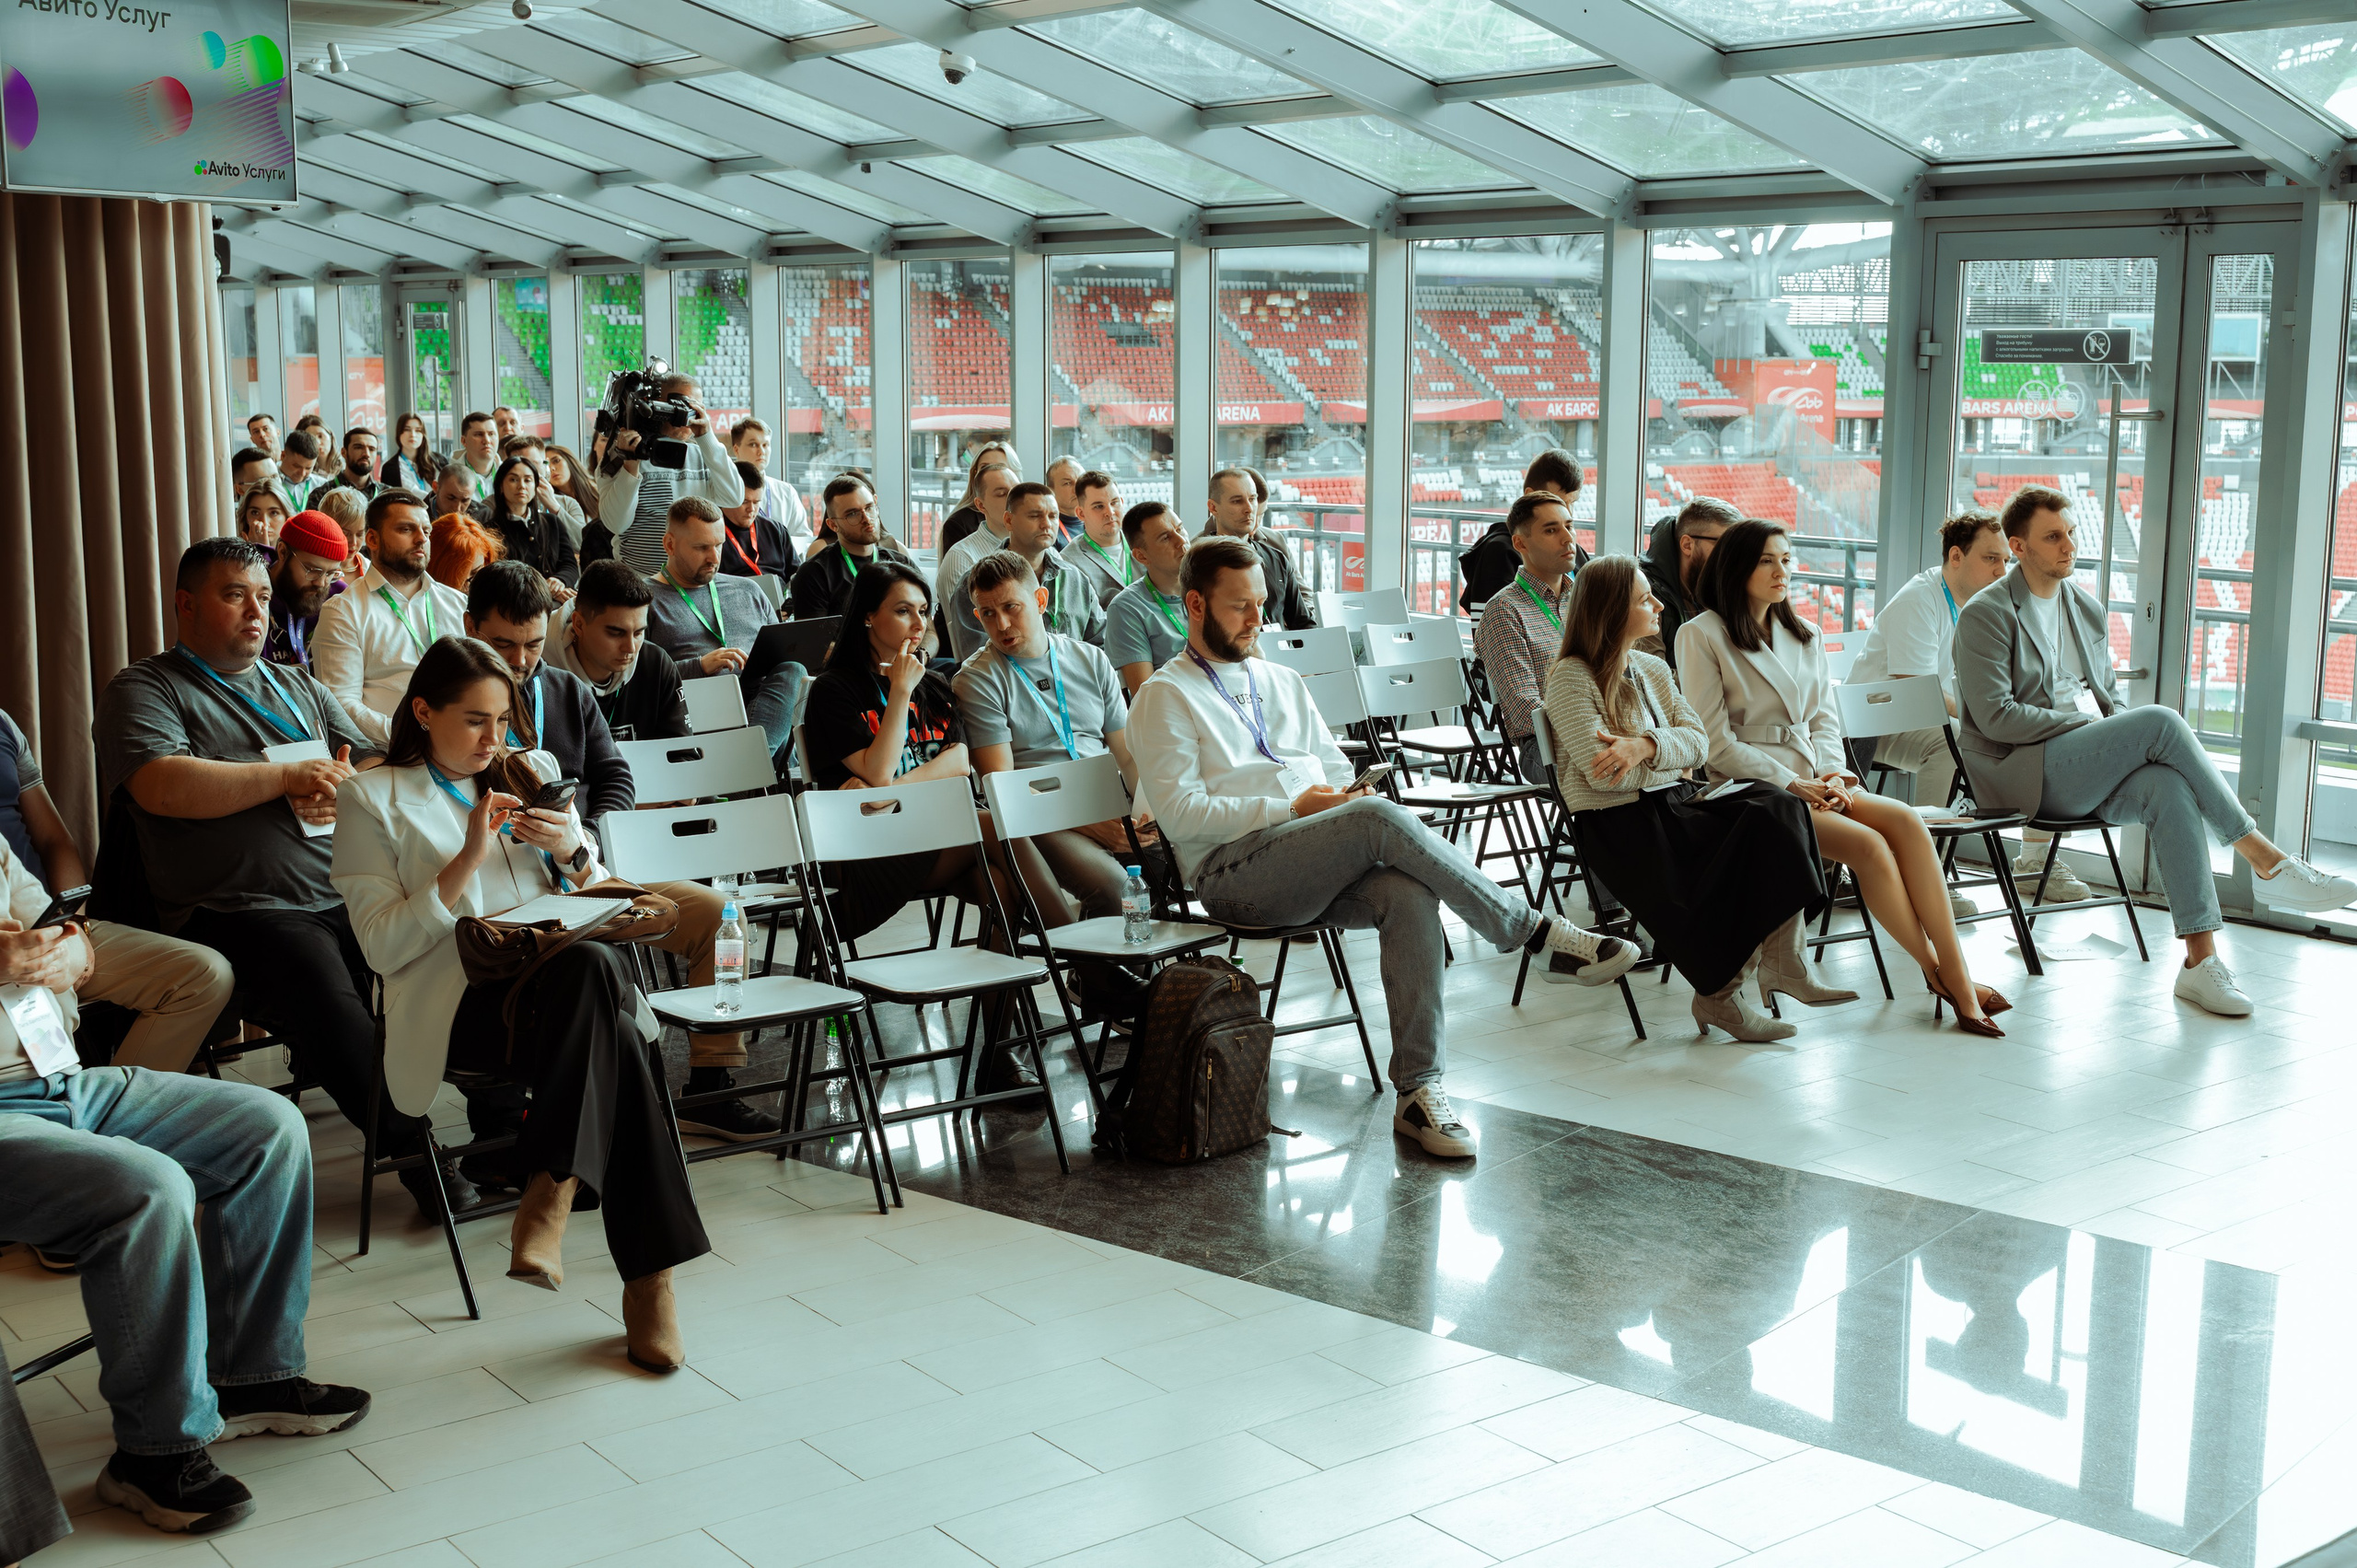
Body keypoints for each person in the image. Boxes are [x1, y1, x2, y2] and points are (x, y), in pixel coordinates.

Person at [1129, 537, 1636, 1160]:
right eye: (1241, 607)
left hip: (1308, 850)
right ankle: (1529, 930)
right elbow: (1180, 817)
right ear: (1196, 606)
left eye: (1262, 603)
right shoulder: (1164, 694)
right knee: (1373, 817)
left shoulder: (1280, 679)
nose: (1258, 618)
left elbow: (1333, 763)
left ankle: (1419, 1092)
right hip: (1230, 871)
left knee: (1408, 891)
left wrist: (1336, 795)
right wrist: (1296, 806)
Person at [333, 638, 710, 1374]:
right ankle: (643, 1276)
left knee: (595, 975)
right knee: (614, 1022)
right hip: (460, 1009)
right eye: (475, 720)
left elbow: (594, 886)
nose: (494, 739)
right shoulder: (370, 797)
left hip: (562, 996)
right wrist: (468, 856)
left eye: (503, 720)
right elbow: (380, 948)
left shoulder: (528, 771)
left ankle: (555, 1193)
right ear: (422, 711)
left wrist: (574, 851)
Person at [0, 826, 371, 1535]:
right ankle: (153, 1452)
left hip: (61, 1080)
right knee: (149, 1186)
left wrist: (73, 947)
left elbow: (67, 932)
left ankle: (252, 1374)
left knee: (266, 1127)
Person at [95, 539, 466, 1216]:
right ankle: (418, 1155)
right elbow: (161, 785)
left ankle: (512, 1128)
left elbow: (381, 755)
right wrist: (289, 776)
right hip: (240, 910)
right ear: (186, 603)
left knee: (455, 948)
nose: (256, 610)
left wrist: (352, 782)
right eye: (234, 594)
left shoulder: (295, 682)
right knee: (314, 975)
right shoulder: (145, 687)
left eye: (263, 595)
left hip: (347, 888)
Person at [1955, 486, 2354, 1017]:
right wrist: (2092, 726)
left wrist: (2112, 732)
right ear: (2019, 547)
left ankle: (2199, 963)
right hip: (2018, 774)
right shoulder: (1987, 614)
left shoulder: (2084, 608)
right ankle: (2267, 860)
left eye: (2070, 533)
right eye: (2052, 537)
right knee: (2161, 721)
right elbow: (1996, 717)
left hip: (2076, 767)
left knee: (2166, 785)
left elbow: (2110, 699)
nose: (2068, 545)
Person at [465, 563, 774, 1139]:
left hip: (587, 873)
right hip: (501, 893)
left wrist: (586, 839)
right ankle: (501, 1118)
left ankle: (710, 1085)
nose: (521, 659)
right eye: (503, 644)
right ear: (470, 631)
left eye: (533, 644)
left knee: (717, 916)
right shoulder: (453, 706)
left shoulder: (563, 690)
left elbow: (615, 774)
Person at [1678, 519, 2003, 1036]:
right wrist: (1791, 782)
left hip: (1814, 780)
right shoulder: (1700, 635)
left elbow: (1825, 719)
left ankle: (1951, 970)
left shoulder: (1803, 633)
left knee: (1905, 822)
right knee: (1870, 846)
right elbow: (1716, 744)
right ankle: (1947, 977)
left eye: (1786, 559)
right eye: (1767, 560)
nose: (1781, 570)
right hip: (1752, 793)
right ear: (1736, 566)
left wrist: (1832, 772)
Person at [1541, 557, 1829, 1041]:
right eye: (1642, 599)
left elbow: (1700, 743)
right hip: (1619, 821)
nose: (1658, 604)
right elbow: (1605, 779)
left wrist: (1645, 746)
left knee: (1780, 805)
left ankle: (1784, 961)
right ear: (1611, 611)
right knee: (1750, 844)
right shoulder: (1571, 677)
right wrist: (1666, 756)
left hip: (1672, 799)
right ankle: (1722, 997)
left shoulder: (1651, 666)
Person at [802, 562, 1050, 1092]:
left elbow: (960, 761)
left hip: (935, 842)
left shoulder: (937, 685)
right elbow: (879, 770)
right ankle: (1071, 943)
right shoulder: (835, 690)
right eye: (901, 610)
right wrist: (897, 694)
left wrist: (887, 792)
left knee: (1002, 890)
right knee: (990, 823)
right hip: (868, 852)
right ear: (868, 618)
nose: (917, 623)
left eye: (922, 611)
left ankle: (998, 1053)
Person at [957, 550, 1154, 1015]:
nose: (1002, 624)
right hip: (1035, 815)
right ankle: (1111, 988)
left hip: (1105, 802)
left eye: (1012, 607)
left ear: (1040, 599)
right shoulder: (979, 679)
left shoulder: (1090, 660)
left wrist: (1145, 810)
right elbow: (1001, 786)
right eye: (987, 613)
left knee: (1169, 862)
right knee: (1112, 886)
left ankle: (1111, 984)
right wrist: (1094, 825)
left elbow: (1126, 754)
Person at [0, 708, 235, 1074]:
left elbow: (53, 840)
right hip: (11, 940)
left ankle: (117, 1104)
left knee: (205, 975)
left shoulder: (4, 726)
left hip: (47, 918)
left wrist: (74, 926)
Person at [647, 497, 801, 766]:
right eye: (701, 547)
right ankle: (750, 766)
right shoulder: (646, 600)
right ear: (669, 544)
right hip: (698, 712)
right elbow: (636, 681)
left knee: (793, 667)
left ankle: (744, 765)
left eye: (719, 545)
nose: (714, 558)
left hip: (761, 699)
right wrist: (699, 667)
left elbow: (781, 651)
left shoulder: (748, 589)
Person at [313, 490, 473, 745]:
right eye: (406, 529)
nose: (421, 539)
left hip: (466, 744)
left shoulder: (457, 604)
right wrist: (410, 736)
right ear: (373, 540)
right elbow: (340, 705)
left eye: (426, 531)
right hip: (392, 752)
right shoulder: (343, 611)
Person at [1471, 491, 1580, 784]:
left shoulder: (1585, 599)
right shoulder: (1504, 610)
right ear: (1520, 543)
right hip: (1544, 745)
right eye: (1551, 530)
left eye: (1569, 526)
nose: (1568, 538)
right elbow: (1524, 708)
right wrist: (1587, 725)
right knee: (1616, 767)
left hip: (1596, 728)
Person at [605, 374, 746, 575]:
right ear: (653, 404)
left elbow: (733, 498)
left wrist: (706, 436)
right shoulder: (623, 454)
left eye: (694, 407)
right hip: (640, 583)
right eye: (678, 405)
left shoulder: (704, 454)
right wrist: (630, 466)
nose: (685, 414)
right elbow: (616, 523)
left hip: (692, 582)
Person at [945, 482, 1104, 660]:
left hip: (1076, 681)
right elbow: (977, 661)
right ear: (1008, 521)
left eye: (1053, 516)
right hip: (1008, 685)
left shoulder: (1075, 578)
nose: (1046, 525)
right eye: (1035, 516)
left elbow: (1100, 644)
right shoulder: (976, 584)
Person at [548, 560, 691, 740]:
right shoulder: (540, 670)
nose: (631, 648)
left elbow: (684, 754)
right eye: (616, 633)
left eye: (639, 633)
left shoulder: (657, 664)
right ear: (579, 625)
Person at [1459, 449, 1590, 610]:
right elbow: (1491, 624)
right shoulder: (1499, 553)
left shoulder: (1573, 549)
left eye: (1573, 502)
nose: (1568, 511)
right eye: (1559, 502)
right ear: (1530, 495)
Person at [790, 476, 913, 621]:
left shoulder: (900, 563)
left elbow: (929, 629)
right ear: (833, 525)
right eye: (852, 514)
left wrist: (919, 645)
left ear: (875, 501)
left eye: (869, 508)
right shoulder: (815, 573)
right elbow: (815, 642)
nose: (867, 519)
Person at [1204, 468, 1315, 630]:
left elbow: (1304, 623)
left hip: (1281, 652)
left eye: (1252, 499)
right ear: (1213, 508)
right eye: (1237, 501)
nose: (1249, 509)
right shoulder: (1199, 562)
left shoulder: (1277, 558)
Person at [1638, 497, 1737, 671]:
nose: (1731, 558)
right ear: (1687, 545)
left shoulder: (1719, 585)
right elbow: (1653, 679)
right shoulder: (1641, 592)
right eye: (1723, 545)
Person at [934, 463, 1020, 656]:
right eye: (1001, 494)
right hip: (990, 666)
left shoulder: (1035, 548)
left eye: (1015, 492)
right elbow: (968, 638)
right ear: (981, 505)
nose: (1012, 500)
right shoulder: (962, 557)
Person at [1105, 501, 1191, 697]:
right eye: (1165, 538)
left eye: (1180, 529)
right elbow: (1145, 696)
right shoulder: (1127, 608)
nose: (1181, 541)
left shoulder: (1212, 588)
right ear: (1141, 556)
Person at [473, 454, 579, 597]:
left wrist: (559, 580)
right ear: (501, 487)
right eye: (513, 479)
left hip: (557, 599)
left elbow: (569, 564)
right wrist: (545, 591)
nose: (521, 486)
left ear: (535, 486)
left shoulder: (552, 522)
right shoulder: (489, 531)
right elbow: (498, 577)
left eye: (528, 480)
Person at [262, 510, 350, 669]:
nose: (322, 583)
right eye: (313, 570)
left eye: (331, 573)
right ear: (282, 552)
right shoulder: (249, 590)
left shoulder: (340, 598)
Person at [729, 417, 809, 565]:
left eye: (766, 445)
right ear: (736, 449)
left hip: (778, 567)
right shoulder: (723, 490)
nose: (761, 451)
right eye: (753, 445)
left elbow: (802, 536)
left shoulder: (786, 492)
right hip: (735, 568)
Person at [500, 434, 586, 552]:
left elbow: (584, 546)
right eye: (517, 465)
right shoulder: (495, 503)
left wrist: (554, 507)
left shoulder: (567, 503)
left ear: (546, 465)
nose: (527, 471)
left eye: (533, 464)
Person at [1061, 470, 1132, 611]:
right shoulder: (1069, 562)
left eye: (1114, 502)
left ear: (1122, 503)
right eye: (1099, 506)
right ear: (1081, 513)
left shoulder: (1143, 542)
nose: (1110, 512)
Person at [936, 441, 1019, 558]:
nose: (993, 473)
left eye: (1001, 467)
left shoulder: (1029, 519)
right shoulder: (958, 524)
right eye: (984, 467)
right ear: (974, 475)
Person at [717, 461, 795, 583]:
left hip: (779, 596)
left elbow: (796, 574)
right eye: (744, 502)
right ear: (728, 496)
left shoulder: (777, 530)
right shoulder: (712, 532)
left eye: (757, 502)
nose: (751, 509)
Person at [313, 486, 371, 584]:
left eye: (360, 534)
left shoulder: (369, 567)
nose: (353, 543)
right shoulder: (313, 570)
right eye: (345, 534)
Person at [314, 427, 383, 503]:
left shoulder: (386, 494)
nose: (366, 454)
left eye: (372, 449)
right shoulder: (321, 495)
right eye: (358, 447)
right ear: (343, 452)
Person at [447, 411, 500, 501]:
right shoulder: (449, 478)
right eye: (479, 434)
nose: (487, 440)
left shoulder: (509, 473)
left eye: (491, 434)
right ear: (464, 441)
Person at [270, 429, 324, 514]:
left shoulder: (322, 486)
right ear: (283, 455)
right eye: (296, 466)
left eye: (308, 468)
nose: (302, 473)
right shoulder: (268, 481)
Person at [383, 412, 435, 494]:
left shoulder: (438, 461)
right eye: (407, 429)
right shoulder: (389, 469)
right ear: (399, 433)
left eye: (418, 430)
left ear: (423, 435)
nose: (413, 435)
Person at [236, 484, 290, 555]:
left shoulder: (297, 555)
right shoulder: (234, 557)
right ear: (245, 517)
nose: (264, 522)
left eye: (274, 513)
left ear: (287, 517)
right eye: (255, 512)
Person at [1046, 455, 1086, 545]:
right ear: (1051, 491)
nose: (1077, 488)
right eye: (1067, 483)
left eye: (1081, 481)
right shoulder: (1047, 531)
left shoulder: (1097, 522)